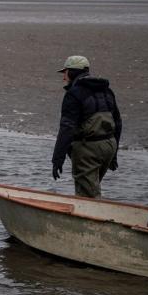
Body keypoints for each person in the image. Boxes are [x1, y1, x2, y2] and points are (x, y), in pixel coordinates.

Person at [52, 55, 122, 198]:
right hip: (109, 145)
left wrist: (57, 159)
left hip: (88, 150)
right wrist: (114, 154)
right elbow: (118, 123)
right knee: (92, 189)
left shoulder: (73, 94)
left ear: (72, 72)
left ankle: (96, 219)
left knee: (87, 196)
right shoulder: (107, 91)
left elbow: (67, 128)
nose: (64, 77)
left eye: (65, 72)